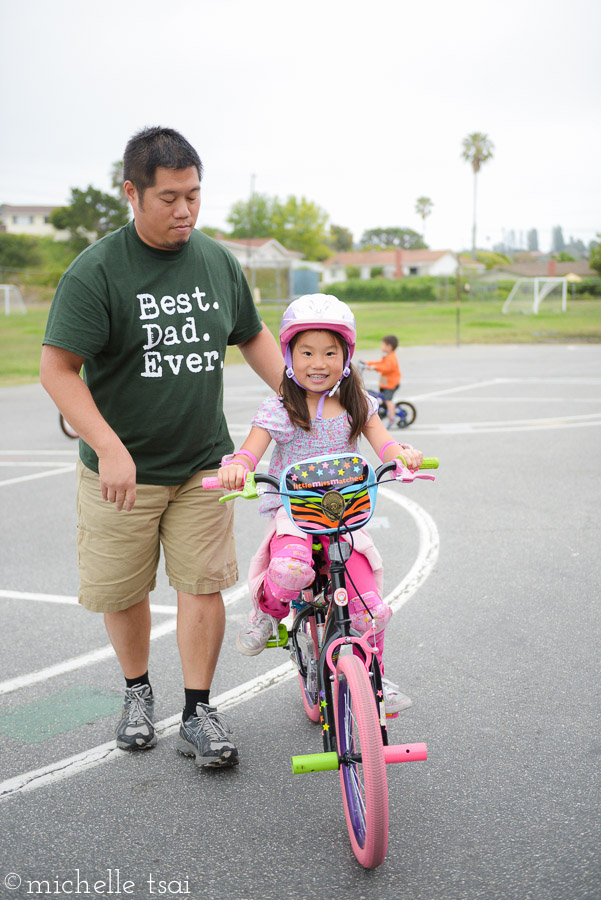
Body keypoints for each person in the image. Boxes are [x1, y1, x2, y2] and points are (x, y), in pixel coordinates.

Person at [40, 126, 283, 768]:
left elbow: (251, 334)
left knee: (202, 586)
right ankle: (137, 693)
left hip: (205, 461)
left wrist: (302, 397)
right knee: (123, 592)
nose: (185, 211)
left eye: (195, 196)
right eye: (170, 198)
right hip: (122, 472)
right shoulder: (96, 272)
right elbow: (58, 369)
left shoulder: (216, 260)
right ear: (132, 193)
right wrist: (109, 446)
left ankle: (199, 711)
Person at [216, 294, 423, 714]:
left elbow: (383, 442)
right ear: (288, 355)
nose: (318, 362)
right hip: (296, 515)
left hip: (345, 518)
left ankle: (375, 679)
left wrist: (399, 454)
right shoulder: (280, 408)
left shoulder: (358, 403)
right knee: (290, 569)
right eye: (306, 351)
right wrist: (238, 467)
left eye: (330, 352)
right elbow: (250, 451)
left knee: (373, 611)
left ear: (345, 356)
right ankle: (265, 612)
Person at [361, 334, 401, 427]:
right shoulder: (387, 356)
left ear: (389, 347)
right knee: (383, 399)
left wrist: (375, 368)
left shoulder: (391, 358)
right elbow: (380, 363)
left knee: (388, 400)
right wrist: (368, 363)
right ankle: (386, 412)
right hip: (385, 383)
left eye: (383, 345)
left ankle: (392, 419)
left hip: (390, 384)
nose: (381, 346)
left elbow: (386, 368)